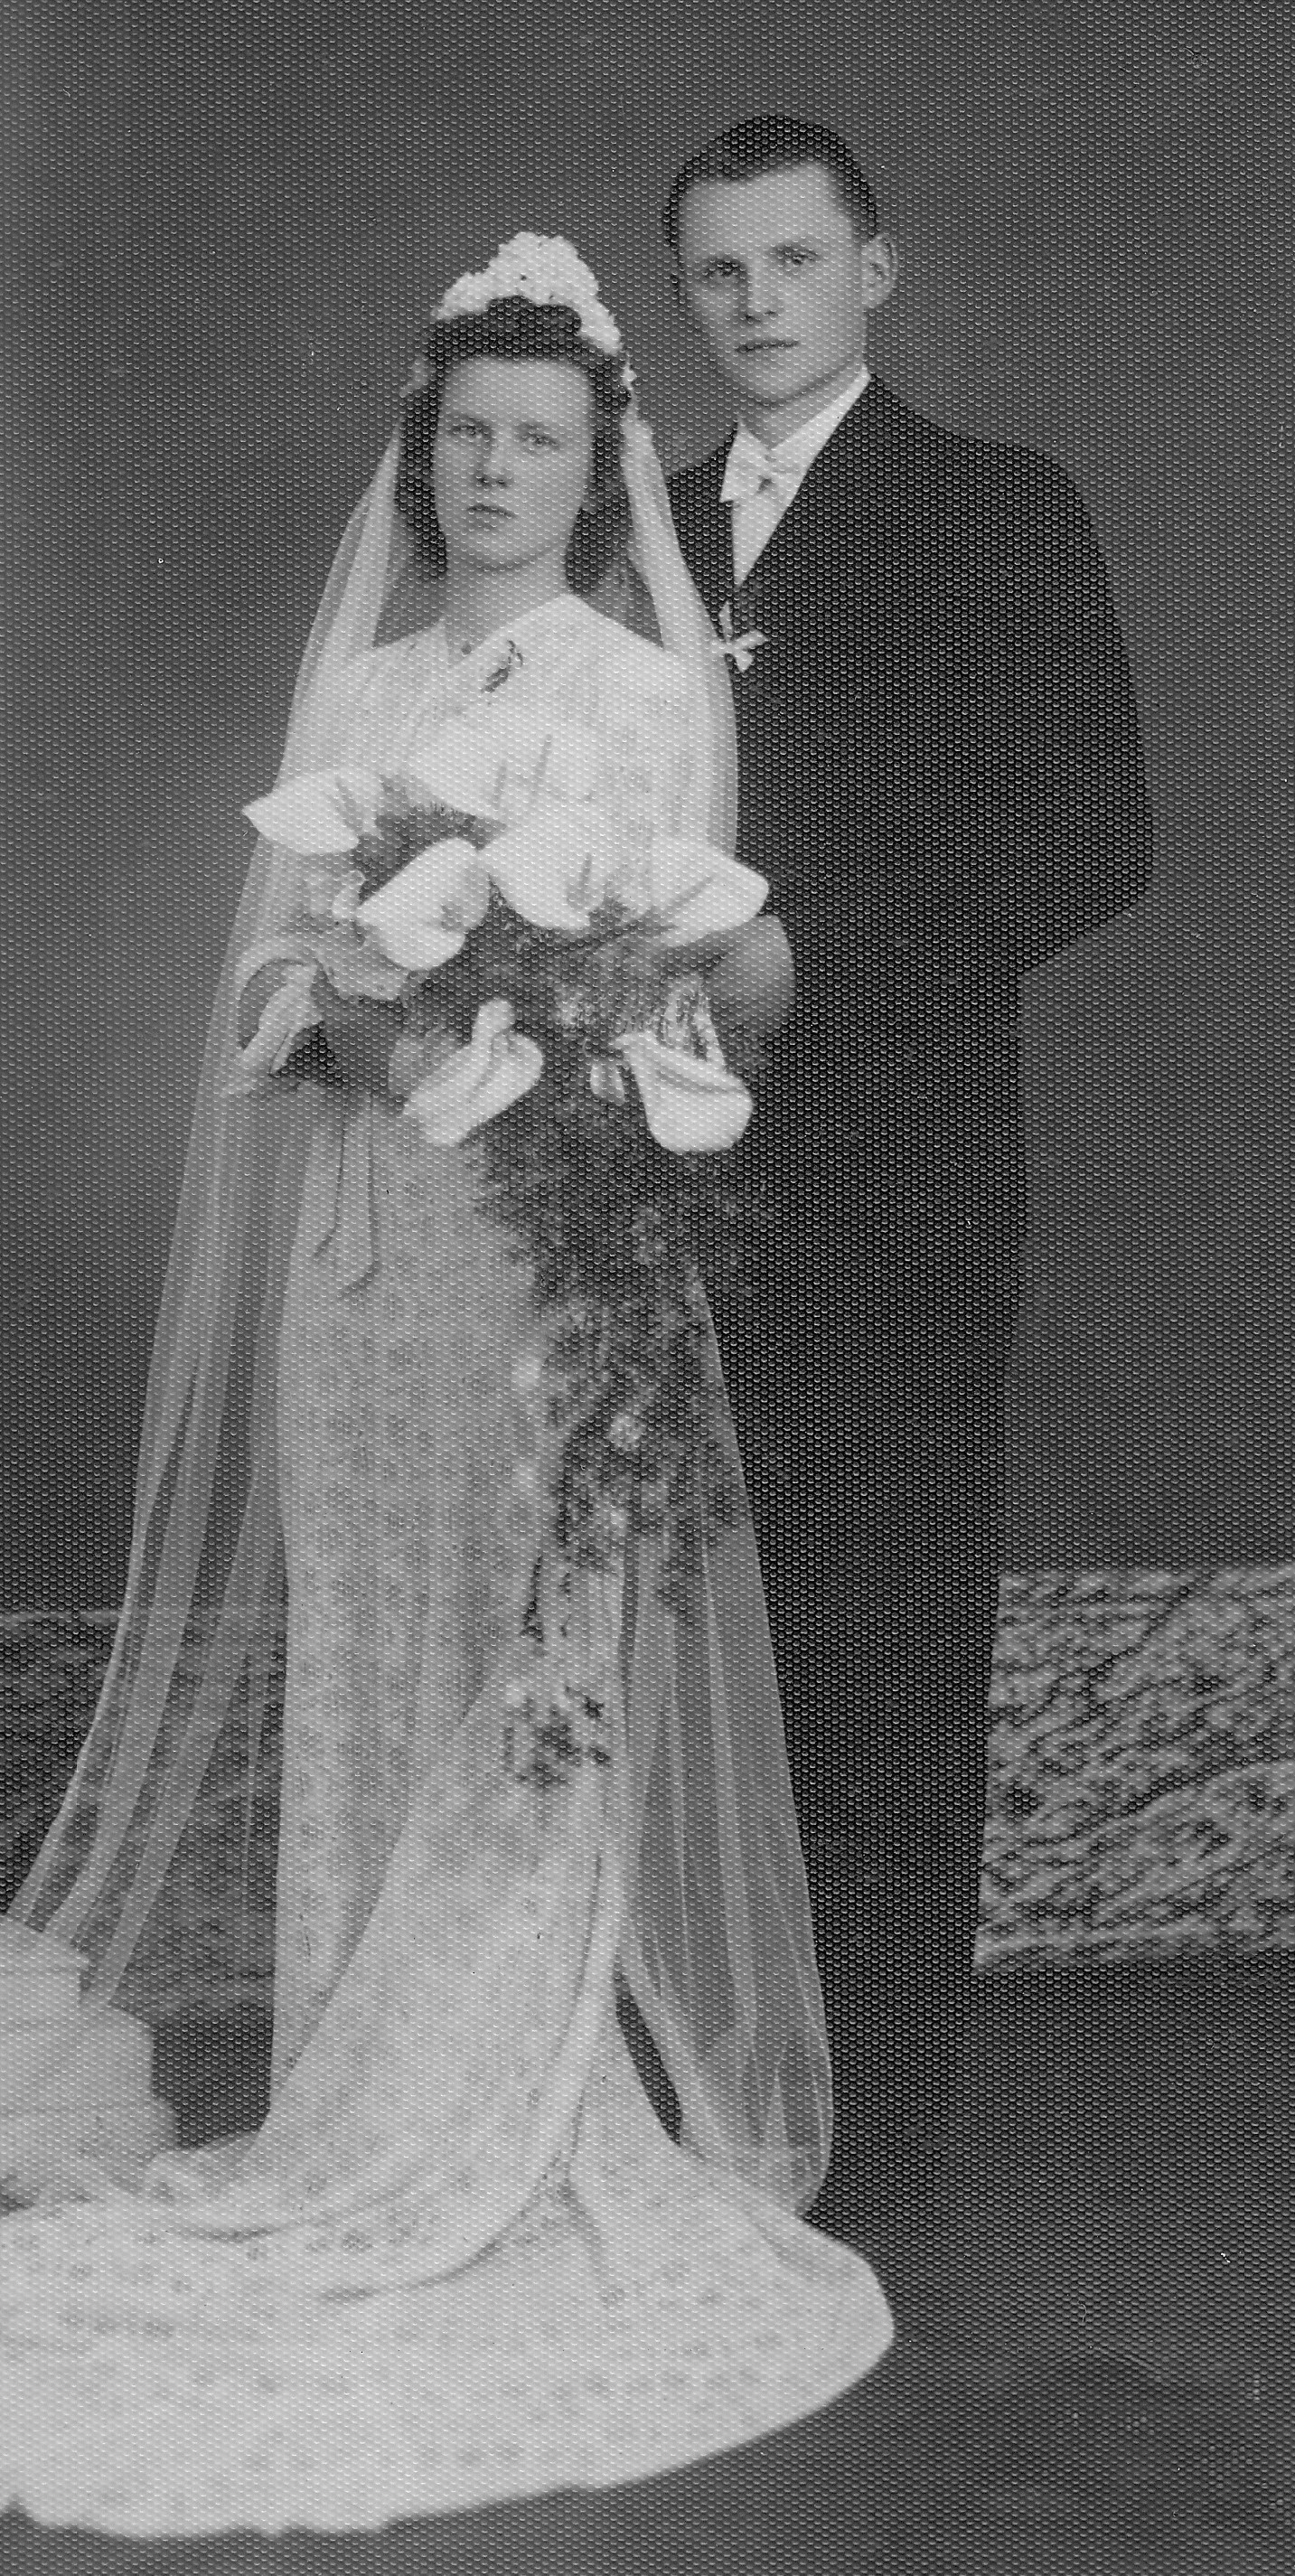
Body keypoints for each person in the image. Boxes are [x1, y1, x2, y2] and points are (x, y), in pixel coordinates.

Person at [0, 237, 892, 2540]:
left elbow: (676, 977)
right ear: (425, 457)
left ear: (595, 475)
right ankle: (348, 2103)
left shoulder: (636, 693)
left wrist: (514, 1006)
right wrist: (349, 1014)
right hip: (367, 1240)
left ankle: (493, 2107)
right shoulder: (371, 680)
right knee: (373, 1642)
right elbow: (279, 983)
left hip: (548, 1243)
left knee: (526, 1648)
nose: (494, 472)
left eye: (538, 443)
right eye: (465, 436)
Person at [662, 116, 1152, 2258]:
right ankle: (695, 2100)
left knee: (875, 1647)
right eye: (717, 271)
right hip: (659, 1186)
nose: (756, 303)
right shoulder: (647, 531)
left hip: (898, 1180)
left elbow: (1090, 832)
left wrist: (817, 953)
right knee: (685, 1647)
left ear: (874, 267)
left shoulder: (989, 504)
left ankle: (864, 2153)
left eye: (792, 259)